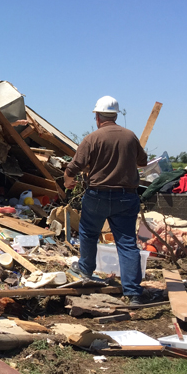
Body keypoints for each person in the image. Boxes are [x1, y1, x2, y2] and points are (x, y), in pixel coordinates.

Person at [64, 96, 150, 304]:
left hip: (98, 195)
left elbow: (75, 165)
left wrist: (68, 179)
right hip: (126, 196)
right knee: (127, 243)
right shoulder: (130, 137)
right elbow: (143, 161)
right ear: (115, 114)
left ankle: (85, 269)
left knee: (88, 232)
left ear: (97, 116)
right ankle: (133, 293)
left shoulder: (92, 138)